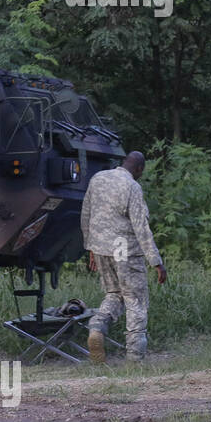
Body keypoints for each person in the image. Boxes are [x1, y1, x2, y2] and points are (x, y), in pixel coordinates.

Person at [81, 150, 167, 364]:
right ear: (139, 169)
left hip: (101, 247)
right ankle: (135, 357)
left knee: (113, 293)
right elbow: (141, 227)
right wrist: (156, 261)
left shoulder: (98, 178)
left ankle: (97, 327)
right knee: (134, 298)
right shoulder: (132, 187)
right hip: (124, 249)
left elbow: (86, 214)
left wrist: (90, 247)